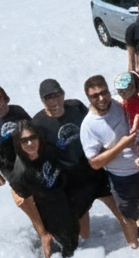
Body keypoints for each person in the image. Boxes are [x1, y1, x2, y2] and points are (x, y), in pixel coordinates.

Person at [33, 78, 119, 239]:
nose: (54, 101)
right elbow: (34, 153)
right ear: (42, 101)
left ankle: (135, 241)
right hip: (71, 180)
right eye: (49, 98)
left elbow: (94, 124)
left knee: (121, 210)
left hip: (93, 169)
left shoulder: (76, 106)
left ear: (63, 94)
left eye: (57, 95)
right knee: (84, 235)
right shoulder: (38, 123)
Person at [79, 74, 139, 248]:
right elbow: (94, 163)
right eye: (95, 96)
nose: (101, 98)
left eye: (104, 93)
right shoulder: (89, 125)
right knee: (129, 216)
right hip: (121, 176)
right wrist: (122, 145)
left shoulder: (119, 102)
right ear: (88, 98)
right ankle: (136, 248)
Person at [9, 123, 82, 258]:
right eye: (24, 140)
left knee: (79, 237)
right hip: (48, 211)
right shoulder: (21, 173)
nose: (30, 143)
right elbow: (28, 205)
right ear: (18, 144)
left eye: (33, 138)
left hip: (65, 199)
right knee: (66, 250)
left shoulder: (49, 150)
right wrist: (43, 233)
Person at [0, 84, 30, 191]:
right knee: (23, 194)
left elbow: (33, 130)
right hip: (9, 166)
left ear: (4, 97)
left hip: (28, 158)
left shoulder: (18, 111)